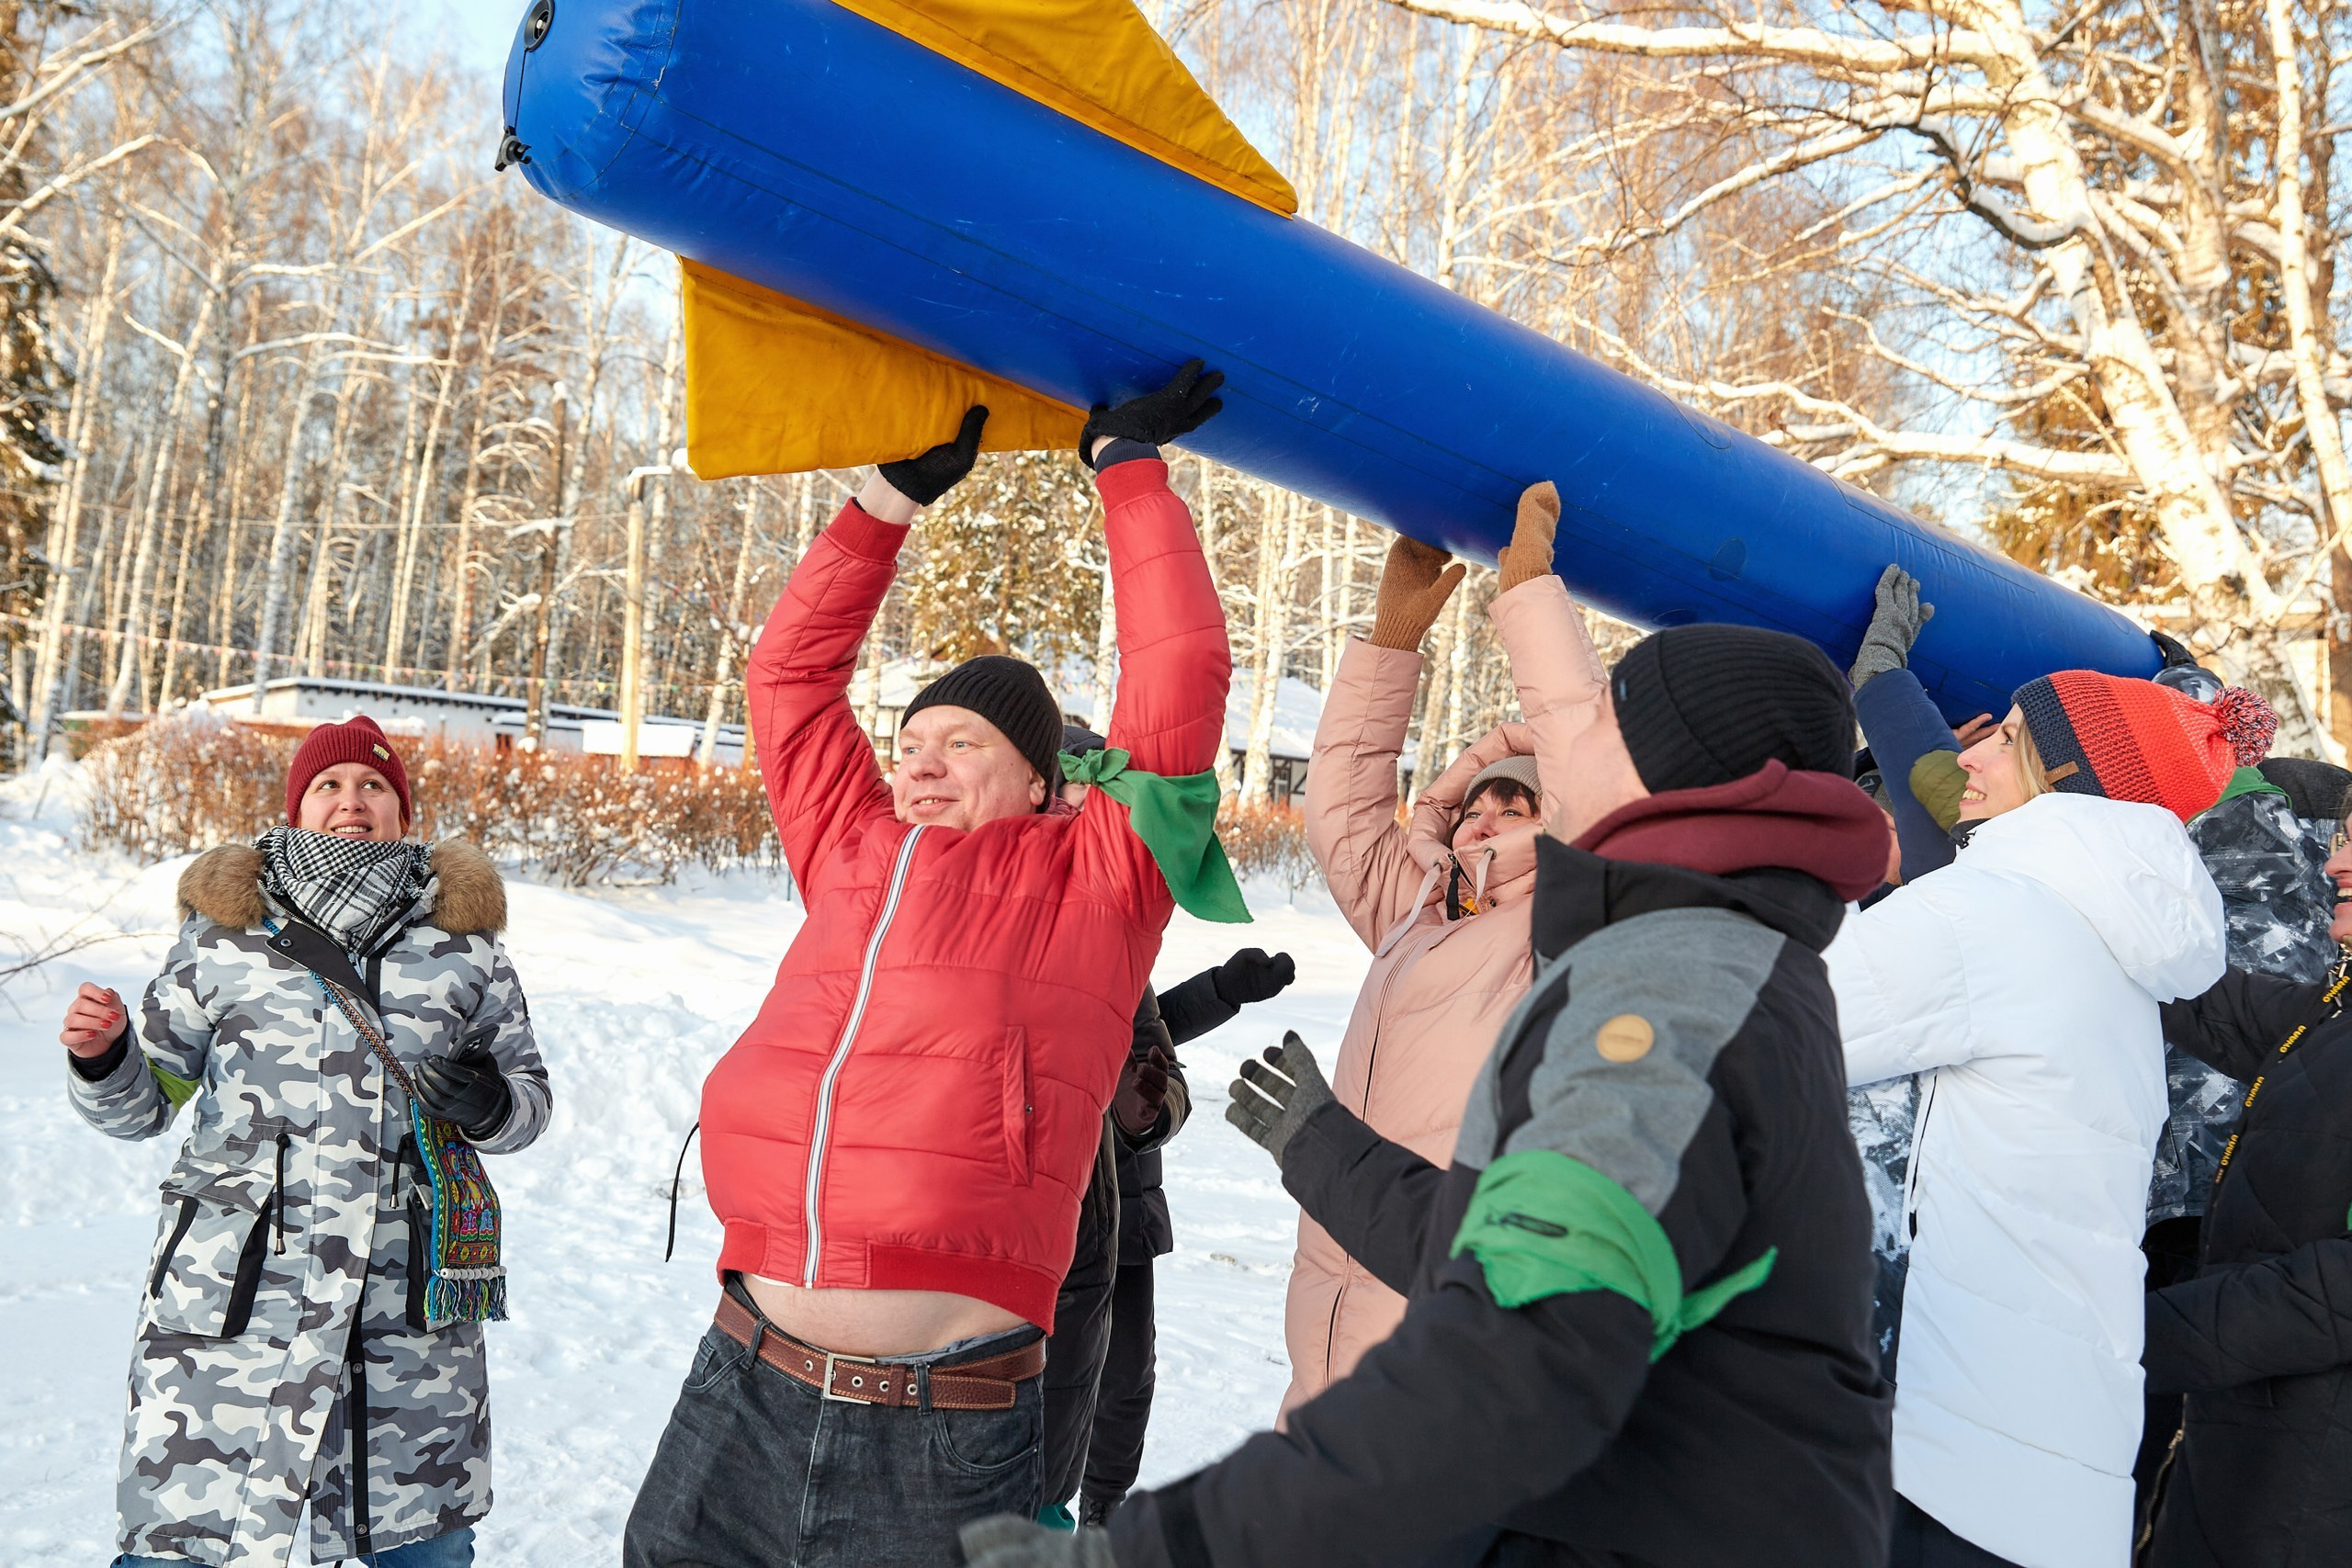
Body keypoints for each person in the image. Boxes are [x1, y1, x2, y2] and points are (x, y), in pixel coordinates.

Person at [962, 621, 1898, 1568]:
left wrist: (1158, 1550)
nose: (1576, 736)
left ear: (1672, 759)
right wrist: (1325, 1147)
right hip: (1578, 1483)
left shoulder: (1662, 987)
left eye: (1607, 715)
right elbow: (1513, 1240)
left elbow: (1522, 1352)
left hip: (1596, 1498)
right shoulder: (1714, 954)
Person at [621, 364, 1234, 1568]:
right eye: (909, 739)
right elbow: (791, 683)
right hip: (743, 1374)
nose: (920, 759)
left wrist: (1130, 473)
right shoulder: (850, 852)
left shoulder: (1099, 886)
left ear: (1047, 781)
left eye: (965, 740)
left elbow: (1180, 690)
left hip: (942, 1430)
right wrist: (884, 504)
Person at [60, 714, 547, 1568]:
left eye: (373, 787)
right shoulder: (221, 936)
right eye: (329, 784)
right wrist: (104, 1060)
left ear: (403, 814)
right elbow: (147, 1104)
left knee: (419, 1545)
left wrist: (488, 1101)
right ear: (297, 805)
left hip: (408, 1320)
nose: (350, 800)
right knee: (186, 1539)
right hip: (236, 1300)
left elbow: (531, 1103)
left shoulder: (467, 949)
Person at [1828, 672, 2265, 1567]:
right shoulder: (2117, 942)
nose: (1970, 752)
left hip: (1956, 1452)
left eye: (2010, 736)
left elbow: (1775, 1017)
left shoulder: (1992, 914)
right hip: (2061, 1460)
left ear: (2070, 774)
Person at [1279, 479, 1605, 1411]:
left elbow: (1585, 757)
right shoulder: (1412, 910)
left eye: (1519, 803)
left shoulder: (1565, 924)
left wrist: (1528, 602)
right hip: (1332, 1280)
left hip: (1444, 1286)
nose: (1488, 816)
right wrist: (1390, 645)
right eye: (1476, 803)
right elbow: (1341, 807)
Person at [2135, 818, 2352, 1567]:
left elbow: (2340, 1287)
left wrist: (2136, 1335)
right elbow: (2210, 1005)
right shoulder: (2340, 1010)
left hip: (2305, 1491)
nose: (2335, 861)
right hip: (2247, 1446)